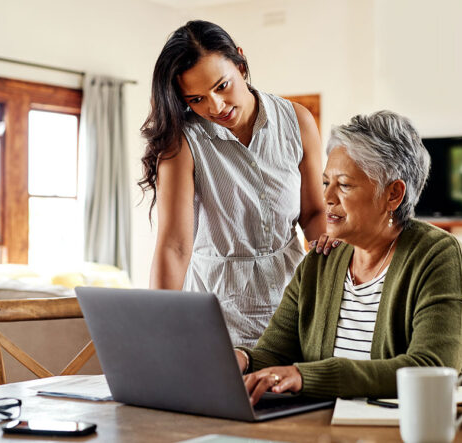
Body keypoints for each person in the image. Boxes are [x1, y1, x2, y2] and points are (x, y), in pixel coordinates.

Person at [233, 110, 462, 409]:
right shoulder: (320, 260)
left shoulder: (439, 255)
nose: (327, 197)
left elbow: (432, 368)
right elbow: (274, 353)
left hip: (436, 428)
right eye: (326, 182)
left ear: (393, 194)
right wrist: (242, 359)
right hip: (337, 428)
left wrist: (306, 376)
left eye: (344, 185)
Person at [139, 20, 335, 347]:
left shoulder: (297, 121)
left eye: (222, 86)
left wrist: (332, 266)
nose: (215, 107)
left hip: (293, 314)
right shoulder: (182, 144)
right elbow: (174, 246)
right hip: (218, 323)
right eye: (197, 99)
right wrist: (159, 333)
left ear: (240, 64)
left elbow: (313, 212)